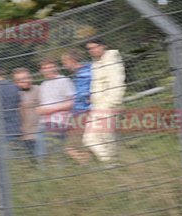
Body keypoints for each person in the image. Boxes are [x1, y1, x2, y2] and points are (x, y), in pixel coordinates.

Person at [83, 37, 125, 165]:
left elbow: (117, 83)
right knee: (101, 138)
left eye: (94, 47)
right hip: (97, 106)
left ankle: (111, 164)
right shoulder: (96, 63)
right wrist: (93, 96)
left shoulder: (111, 59)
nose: (92, 50)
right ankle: (113, 164)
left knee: (95, 138)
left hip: (107, 106)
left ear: (103, 46)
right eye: (89, 49)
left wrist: (111, 104)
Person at [36, 58, 75, 157]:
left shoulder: (64, 81)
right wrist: (40, 109)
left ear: (56, 67)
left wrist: (50, 109)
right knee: (41, 154)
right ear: (41, 70)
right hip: (43, 122)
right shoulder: (43, 85)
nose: (48, 70)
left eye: (50, 67)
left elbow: (72, 102)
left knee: (56, 154)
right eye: (44, 68)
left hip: (59, 122)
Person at [61, 49, 92, 164]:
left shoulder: (85, 72)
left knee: (70, 147)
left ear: (72, 60)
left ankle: (86, 164)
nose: (64, 65)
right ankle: (87, 163)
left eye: (65, 62)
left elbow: (85, 93)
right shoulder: (83, 72)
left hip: (83, 112)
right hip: (80, 112)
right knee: (84, 144)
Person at [12, 67, 41, 156]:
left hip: (41, 133)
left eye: (28, 78)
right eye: (21, 80)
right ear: (15, 83)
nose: (26, 81)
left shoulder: (39, 89)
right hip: (24, 137)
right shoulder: (14, 95)